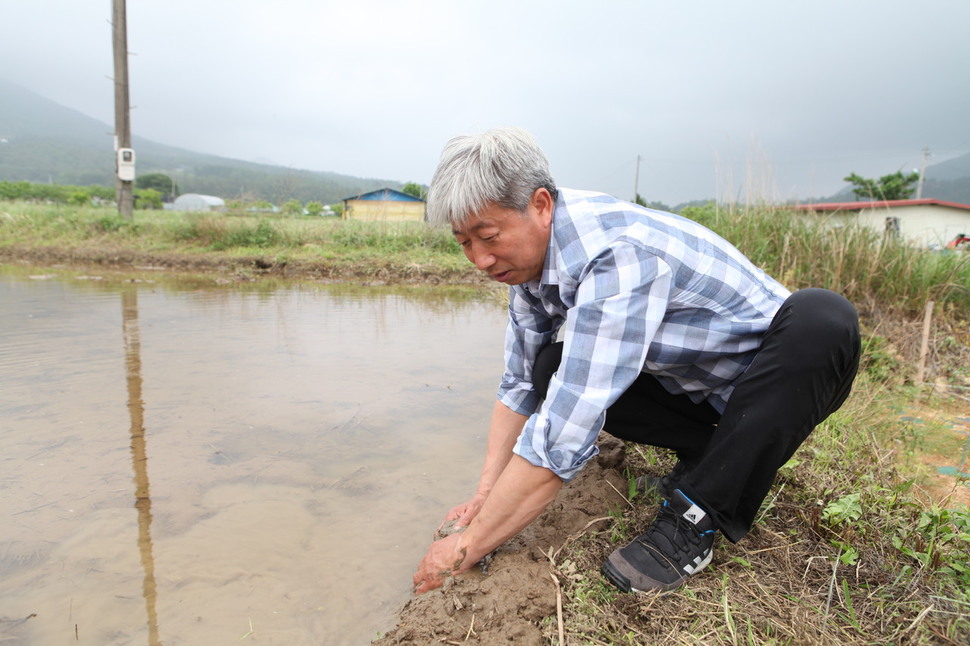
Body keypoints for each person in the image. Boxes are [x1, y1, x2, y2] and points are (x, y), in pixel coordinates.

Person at [412, 127, 861, 595]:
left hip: (772, 387)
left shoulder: (615, 254)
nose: (480, 260)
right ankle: (705, 454)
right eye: (464, 242)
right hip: (696, 392)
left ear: (541, 206)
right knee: (549, 366)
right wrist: (485, 494)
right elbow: (519, 384)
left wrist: (468, 547)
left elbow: (566, 427)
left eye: (488, 237)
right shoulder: (525, 270)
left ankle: (695, 518)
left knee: (824, 316)